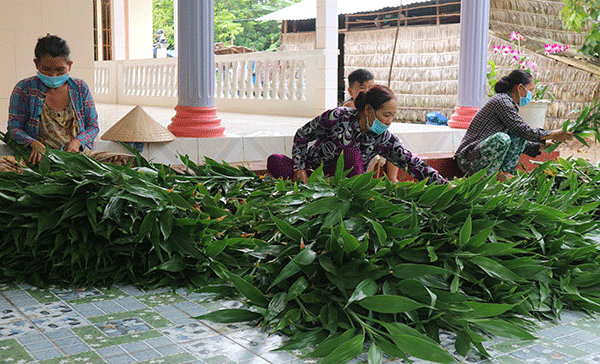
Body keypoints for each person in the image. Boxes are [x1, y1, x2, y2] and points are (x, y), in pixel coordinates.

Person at [267, 84, 447, 184]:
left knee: (351, 155)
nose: (389, 121)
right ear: (368, 110)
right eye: (386, 115)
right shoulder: (336, 117)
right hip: (311, 174)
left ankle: (340, 194)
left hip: (343, 186)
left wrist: (444, 185)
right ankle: (309, 186)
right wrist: (299, 168)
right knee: (274, 160)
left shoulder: (383, 138)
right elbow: (302, 135)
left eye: (392, 116)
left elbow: (411, 162)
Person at [6, 34, 130, 169]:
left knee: (129, 162)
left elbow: (93, 126)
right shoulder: (24, 88)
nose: (53, 76)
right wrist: (33, 143)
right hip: (39, 160)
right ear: (36, 64)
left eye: (60, 70)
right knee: (4, 166)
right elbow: (14, 128)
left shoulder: (80, 88)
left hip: (78, 158)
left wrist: (78, 142)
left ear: (69, 65)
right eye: (46, 70)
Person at [454, 70, 572, 181]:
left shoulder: (507, 102)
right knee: (501, 139)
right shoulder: (501, 101)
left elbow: (518, 135)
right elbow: (523, 130)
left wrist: (540, 146)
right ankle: (485, 177)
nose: (531, 94)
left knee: (516, 135)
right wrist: (553, 134)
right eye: (530, 90)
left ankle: (504, 173)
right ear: (520, 88)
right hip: (468, 159)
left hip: (481, 154)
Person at [343, 69, 399, 182]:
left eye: (371, 88)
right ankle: (363, 182)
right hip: (356, 146)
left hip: (372, 140)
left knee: (392, 145)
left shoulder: (374, 106)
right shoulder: (349, 106)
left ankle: (393, 178)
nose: (367, 92)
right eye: (362, 88)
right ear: (350, 91)